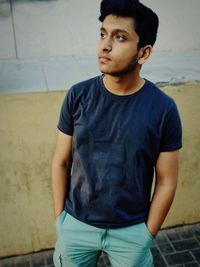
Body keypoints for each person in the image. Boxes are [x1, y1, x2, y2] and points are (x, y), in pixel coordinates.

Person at [51, 0, 182, 266]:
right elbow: (61, 161)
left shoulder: (163, 109)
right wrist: (61, 220)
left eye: (119, 37)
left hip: (131, 231)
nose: (105, 45)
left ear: (143, 53)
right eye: (102, 34)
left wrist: (146, 235)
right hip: (75, 226)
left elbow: (167, 180)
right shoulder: (78, 96)